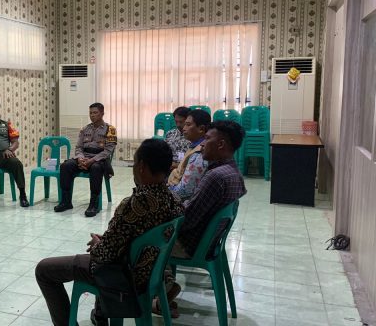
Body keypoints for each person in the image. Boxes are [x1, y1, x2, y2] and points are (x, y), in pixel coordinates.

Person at [35, 139, 182, 326]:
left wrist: (100, 244)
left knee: (44, 270)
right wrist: (112, 240)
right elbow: (140, 233)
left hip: (125, 273)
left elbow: (104, 255)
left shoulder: (134, 204)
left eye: (135, 163)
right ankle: (101, 314)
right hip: (152, 272)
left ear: (142, 167)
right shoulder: (174, 199)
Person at [159, 120, 247, 316]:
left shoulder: (215, 177)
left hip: (192, 244)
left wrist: (162, 216)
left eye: (207, 139)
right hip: (210, 241)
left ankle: (148, 295)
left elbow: (187, 220)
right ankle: (162, 288)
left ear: (221, 144)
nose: (202, 144)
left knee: (140, 238)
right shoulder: (233, 172)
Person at [54, 103, 117, 217]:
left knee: (96, 168)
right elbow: (78, 147)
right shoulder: (85, 129)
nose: (92, 115)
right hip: (83, 158)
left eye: (95, 113)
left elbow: (107, 151)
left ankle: (94, 204)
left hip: (99, 160)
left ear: (102, 113)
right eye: (90, 113)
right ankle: (66, 201)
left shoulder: (110, 129)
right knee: (65, 166)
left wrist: (91, 161)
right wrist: (80, 159)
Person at [167, 109, 210, 201]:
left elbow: (184, 191)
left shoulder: (199, 155)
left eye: (188, 124)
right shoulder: (194, 145)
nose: (183, 128)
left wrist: (164, 191)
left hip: (183, 204)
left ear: (201, 129)